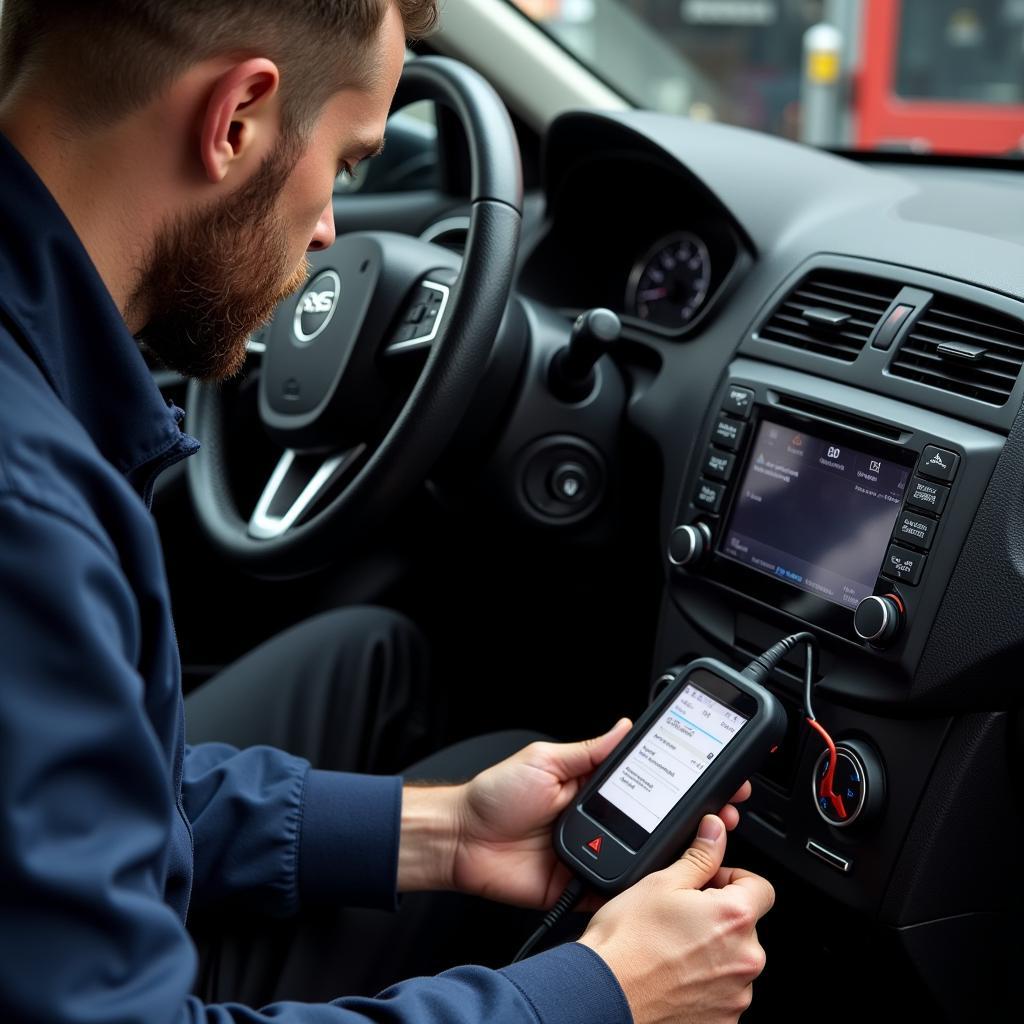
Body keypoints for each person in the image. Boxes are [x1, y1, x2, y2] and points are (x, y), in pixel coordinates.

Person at [0, 2, 775, 1023]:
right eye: (351, 164)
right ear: (236, 117)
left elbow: (80, 800)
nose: (328, 231)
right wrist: (602, 994)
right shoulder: (31, 513)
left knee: (392, 671)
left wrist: (445, 833)